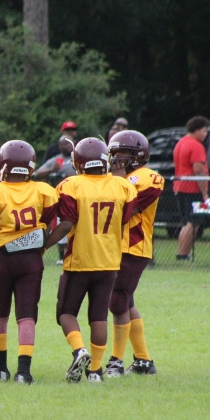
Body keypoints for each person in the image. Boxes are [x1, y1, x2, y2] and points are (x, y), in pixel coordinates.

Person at [44, 138, 137, 384]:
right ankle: (95, 371)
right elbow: (124, 219)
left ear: (78, 162)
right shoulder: (123, 187)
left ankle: (79, 350)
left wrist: (44, 245)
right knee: (98, 317)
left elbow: (66, 224)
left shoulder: (71, 185)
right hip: (109, 261)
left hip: (80, 260)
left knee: (65, 313)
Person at [0, 141, 59, 384]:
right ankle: (24, 372)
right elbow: (49, 221)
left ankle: (0, 370)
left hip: (0, 260)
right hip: (30, 259)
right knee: (26, 315)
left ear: (2, 165)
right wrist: (40, 244)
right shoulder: (43, 191)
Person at [106, 130, 162, 376]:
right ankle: (143, 361)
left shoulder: (148, 178)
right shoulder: (116, 178)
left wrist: (117, 182)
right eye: (115, 152)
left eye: (123, 152)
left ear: (138, 155)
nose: (117, 157)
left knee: (118, 301)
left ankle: (116, 361)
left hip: (133, 246)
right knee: (126, 301)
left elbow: (126, 211)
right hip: (114, 245)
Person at [33, 134, 76, 265]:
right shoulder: (56, 160)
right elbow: (36, 173)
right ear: (59, 146)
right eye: (65, 143)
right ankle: (61, 256)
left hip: (79, 197)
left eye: (70, 143)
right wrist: (51, 170)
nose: (68, 146)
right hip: (62, 198)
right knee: (61, 225)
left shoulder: (77, 158)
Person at [173, 115, 210, 260]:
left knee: (187, 221)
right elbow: (198, 170)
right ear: (196, 130)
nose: (205, 134)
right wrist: (205, 192)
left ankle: (183, 253)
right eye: (204, 131)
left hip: (180, 187)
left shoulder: (181, 143)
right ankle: (183, 254)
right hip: (192, 189)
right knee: (193, 222)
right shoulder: (196, 146)